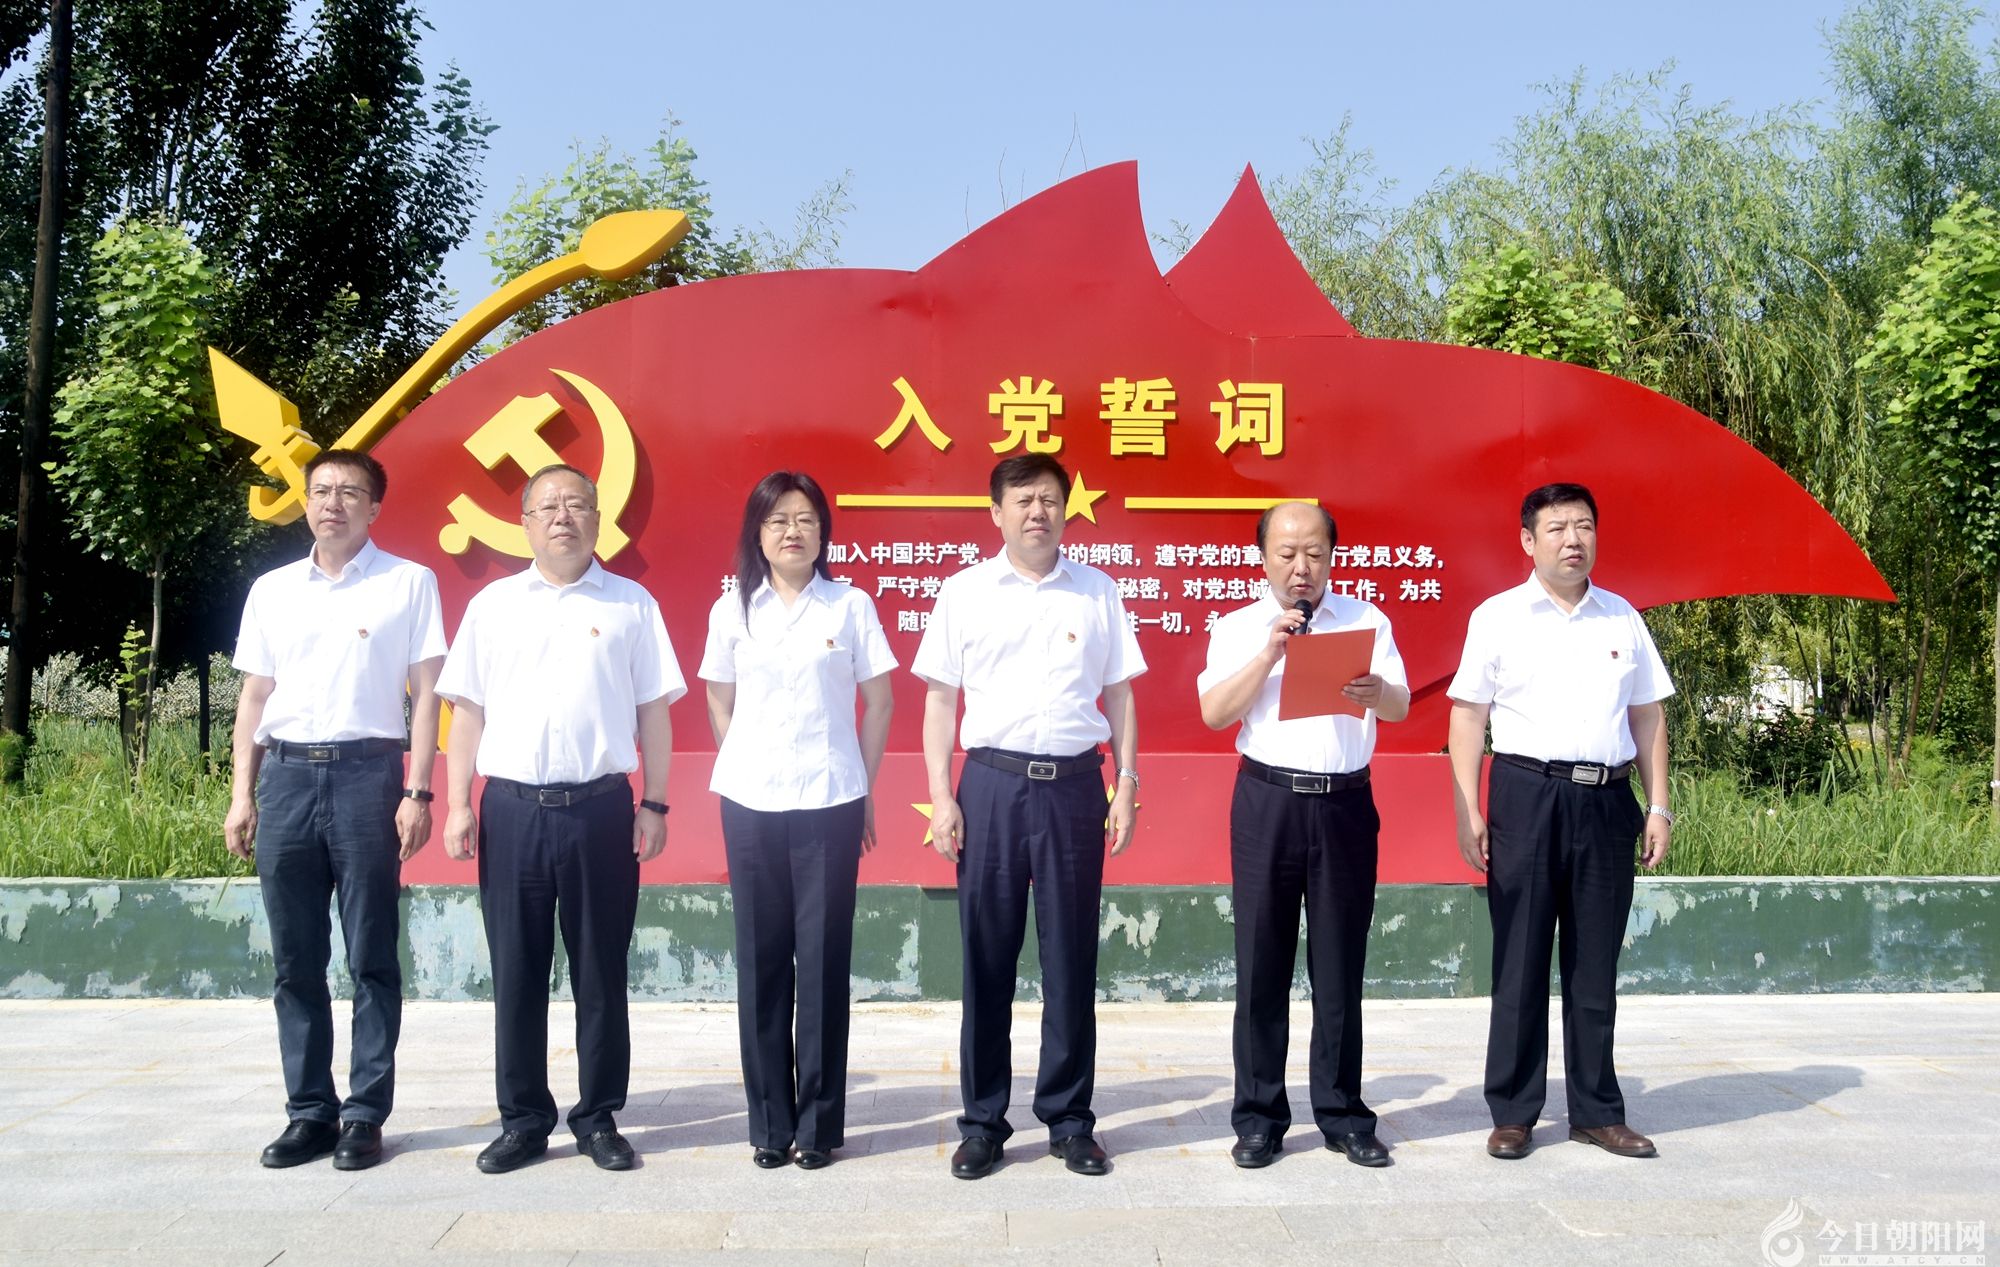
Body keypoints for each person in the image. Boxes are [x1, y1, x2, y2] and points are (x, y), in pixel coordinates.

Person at [438, 463, 684, 1174]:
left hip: (600, 809)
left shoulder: (632, 604)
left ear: (598, 520)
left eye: (577, 505)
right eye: (548, 506)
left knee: (600, 971)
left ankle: (598, 1117)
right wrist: (457, 803)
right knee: (517, 970)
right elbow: (467, 712)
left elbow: (654, 712)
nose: (563, 517)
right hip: (512, 808)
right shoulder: (492, 606)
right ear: (524, 523)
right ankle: (522, 1120)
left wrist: (655, 801)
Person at [914, 452, 1144, 1180]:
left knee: (1071, 958)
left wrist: (1126, 782)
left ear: (1065, 508)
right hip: (990, 785)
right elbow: (940, 702)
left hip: (1075, 788)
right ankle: (983, 1123)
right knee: (987, 958)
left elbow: (1121, 696)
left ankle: (1070, 1120)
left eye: (1048, 498)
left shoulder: (1097, 591)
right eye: (1022, 499)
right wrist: (942, 794)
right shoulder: (963, 592)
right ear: (997, 513)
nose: (1037, 511)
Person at [224, 449, 445, 1172]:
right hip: (286, 778)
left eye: (350, 491)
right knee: (295, 959)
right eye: (320, 490)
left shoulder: (408, 583)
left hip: (367, 777)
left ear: (374, 507)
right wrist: (241, 795)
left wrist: (418, 791)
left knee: (371, 954)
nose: (333, 503)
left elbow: (427, 696)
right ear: (305, 501)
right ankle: (309, 1111)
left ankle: (364, 1113)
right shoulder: (272, 590)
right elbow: (254, 698)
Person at [1446, 482, 1674, 1162]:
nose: (1573, 539)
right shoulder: (1497, 617)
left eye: (1584, 526)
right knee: (1519, 958)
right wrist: (1467, 806)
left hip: (1606, 800)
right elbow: (1468, 715)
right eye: (1557, 528)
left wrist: (1658, 804)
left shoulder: (1621, 617)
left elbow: (1648, 716)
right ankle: (1514, 1112)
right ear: (1528, 540)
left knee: (1594, 962)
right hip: (1526, 794)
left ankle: (1598, 1113)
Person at [1196, 501, 1408, 1170]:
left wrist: (1374, 689)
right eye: (1287, 554)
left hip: (1344, 805)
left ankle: (1343, 1114)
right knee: (1261, 964)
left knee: (1340, 967)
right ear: (1262, 558)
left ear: (1332, 556)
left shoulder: (1367, 621)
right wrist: (1270, 652)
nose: (1301, 568)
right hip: (1269, 802)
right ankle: (1259, 1118)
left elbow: (1401, 704)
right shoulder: (1238, 626)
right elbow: (1213, 712)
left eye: (1315, 553)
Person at [699, 471, 897, 1171]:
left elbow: (880, 701)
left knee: (821, 962)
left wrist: (863, 786)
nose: (793, 531)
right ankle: (768, 1125)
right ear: (757, 533)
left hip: (829, 800)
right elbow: (718, 698)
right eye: (778, 519)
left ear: (823, 533)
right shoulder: (734, 609)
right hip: (750, 802)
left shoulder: (850, 606)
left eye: (806, 519)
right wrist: (745, 760)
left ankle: (816, 1126)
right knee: (760, 961)